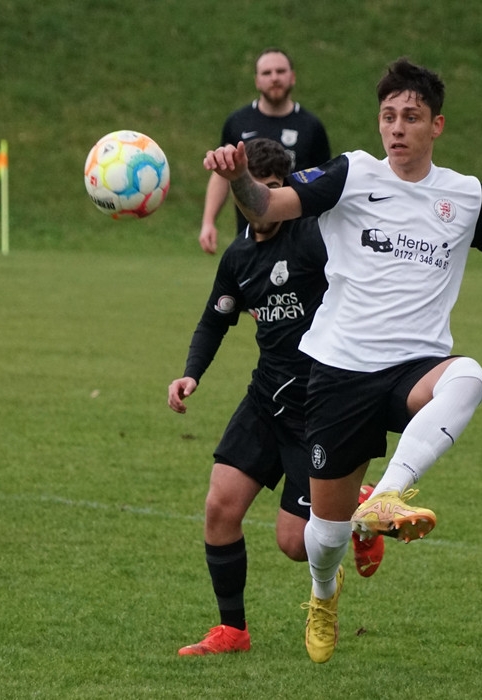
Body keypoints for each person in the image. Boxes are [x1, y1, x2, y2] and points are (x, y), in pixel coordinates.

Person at [204, 57, 482, 663]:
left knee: (470, 376)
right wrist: (239, 178)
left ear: (436, 125)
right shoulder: (352, 174)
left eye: (411, 117)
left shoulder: (464, 195)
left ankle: (388, 494)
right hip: (338, 373)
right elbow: (266, 207)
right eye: (388, 116)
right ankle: (323, 594)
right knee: (324, 536)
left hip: (412, 368)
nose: (397, 128)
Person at [170, 138, 369, 656]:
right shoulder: (238, 256)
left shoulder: (314, 240)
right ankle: (232, 631)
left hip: (316, 407)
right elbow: (214, 320)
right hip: (266, 398)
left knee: (293, 544)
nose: (263, 201)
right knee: (220, 507)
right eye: (252, 191)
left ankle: (355, 509)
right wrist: (191, 374)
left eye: (273, 189)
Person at [198, 48, 331, 255]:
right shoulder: (237, 122)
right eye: (267, 73)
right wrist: (208, 222)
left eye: (280, 71)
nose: (274, 78)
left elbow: (324, 183)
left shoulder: (311, 127)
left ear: (292, 77)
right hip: (251, 239)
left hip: (299, 243)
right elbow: (222, 174)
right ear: (257, 81)